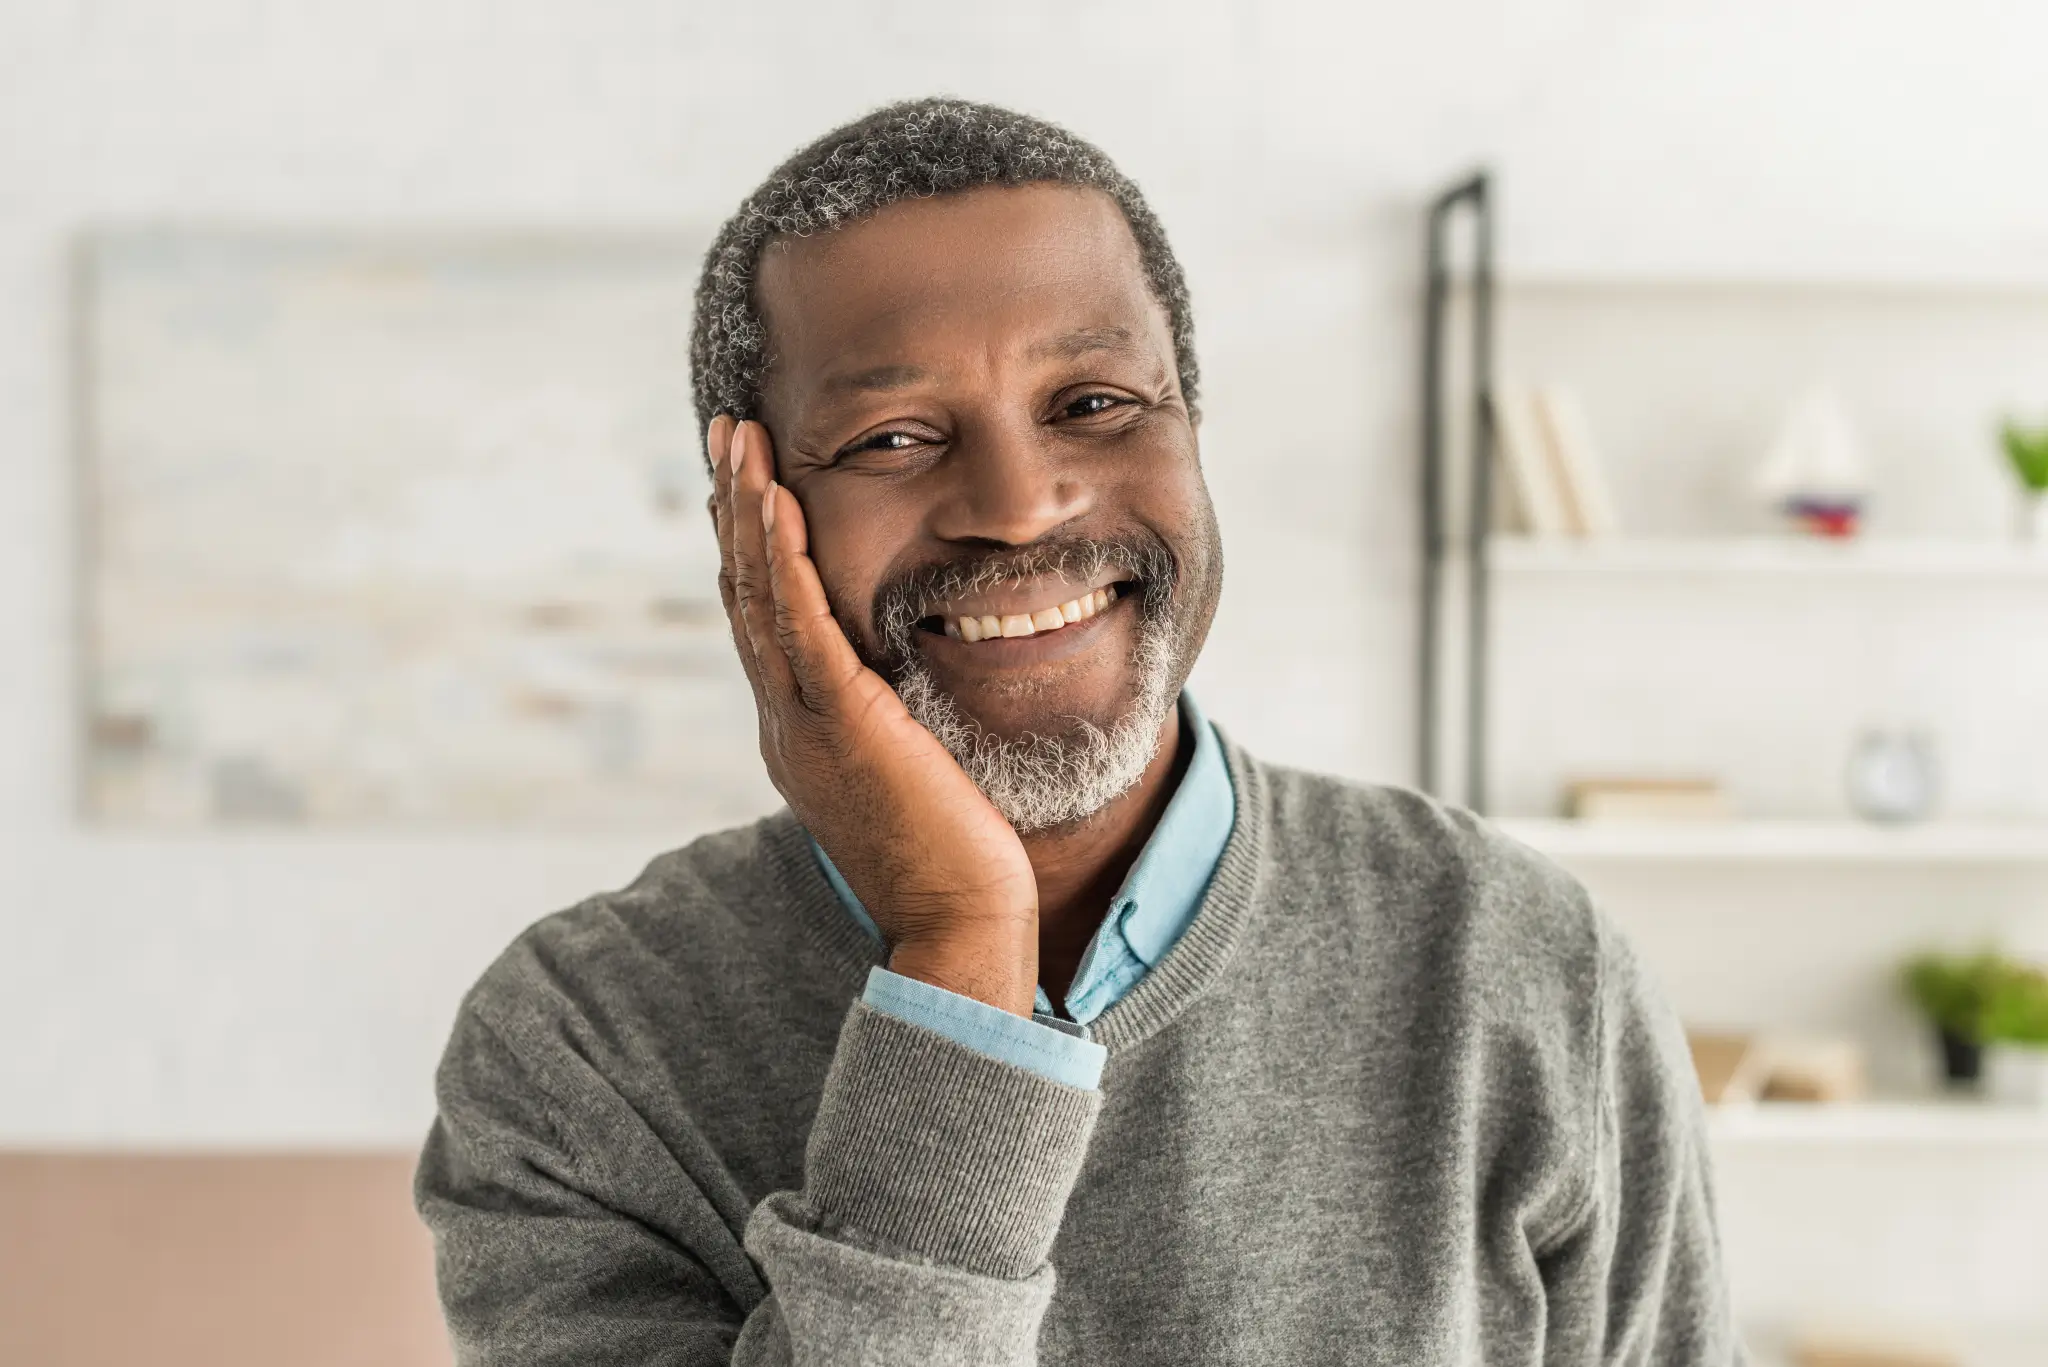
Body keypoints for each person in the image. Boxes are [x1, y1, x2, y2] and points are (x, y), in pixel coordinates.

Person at [415, 98, 1742, 1366]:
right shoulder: (578, 1051)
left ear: (1192, 433)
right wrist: (960, 949)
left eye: (1094, 405)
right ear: (747, 516)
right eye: (892, 435)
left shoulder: (1518, 968)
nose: (1019, 503)